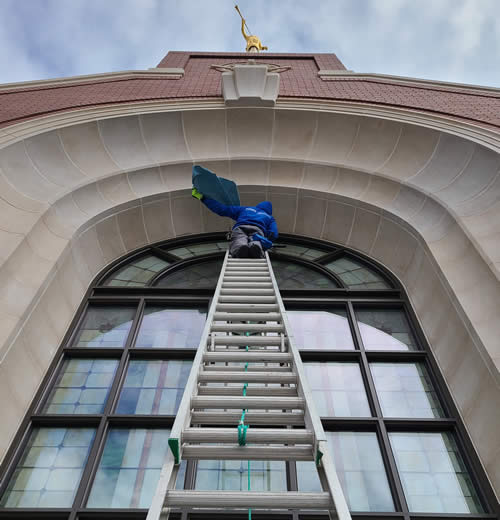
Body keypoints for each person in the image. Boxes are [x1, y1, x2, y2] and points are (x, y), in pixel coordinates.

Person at [192, 188, 278, 258]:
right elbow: (273, 233)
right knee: (256, 241)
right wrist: (267, 239)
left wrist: (203, 198)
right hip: (258, 230)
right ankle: (256, 247)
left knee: (239, 239)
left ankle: (240, 248)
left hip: (241, 227)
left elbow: (222, 209)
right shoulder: (270, 218)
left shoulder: (245, 209)